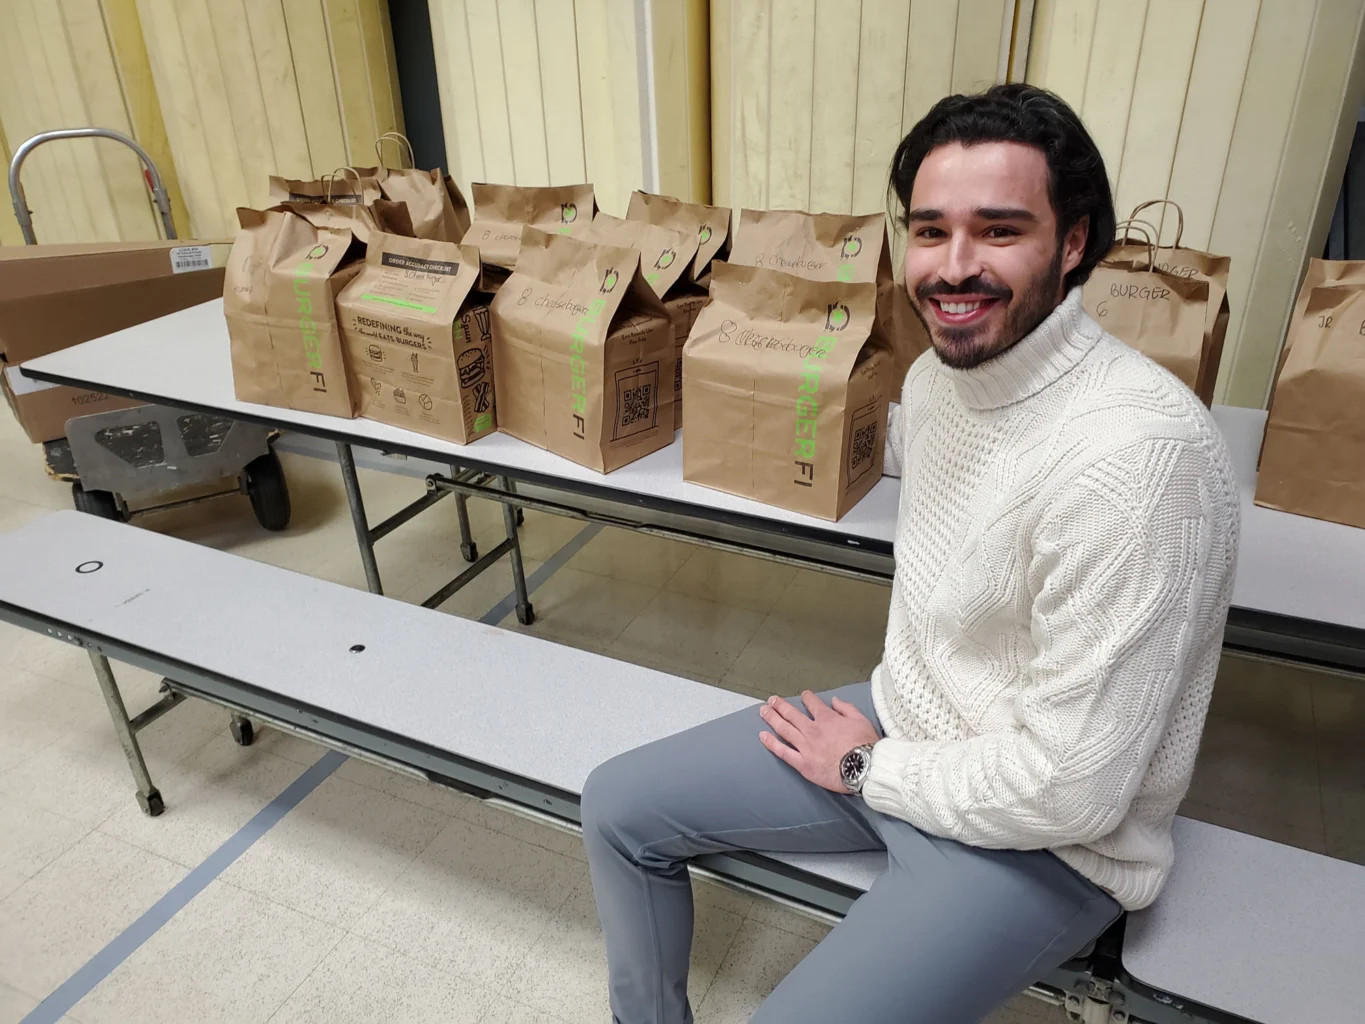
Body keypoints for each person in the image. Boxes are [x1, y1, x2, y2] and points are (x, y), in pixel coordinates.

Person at [580, 83, 1240, 1024]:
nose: (952, 267)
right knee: (617, 805)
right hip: (908, 722)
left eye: (999, 230)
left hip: (1047, 841)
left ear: (1077, 242)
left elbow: (1073, 790)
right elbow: (944, 461)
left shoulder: (1138, 462)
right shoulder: (939, 377)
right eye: (929, 231)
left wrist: (866, 769)